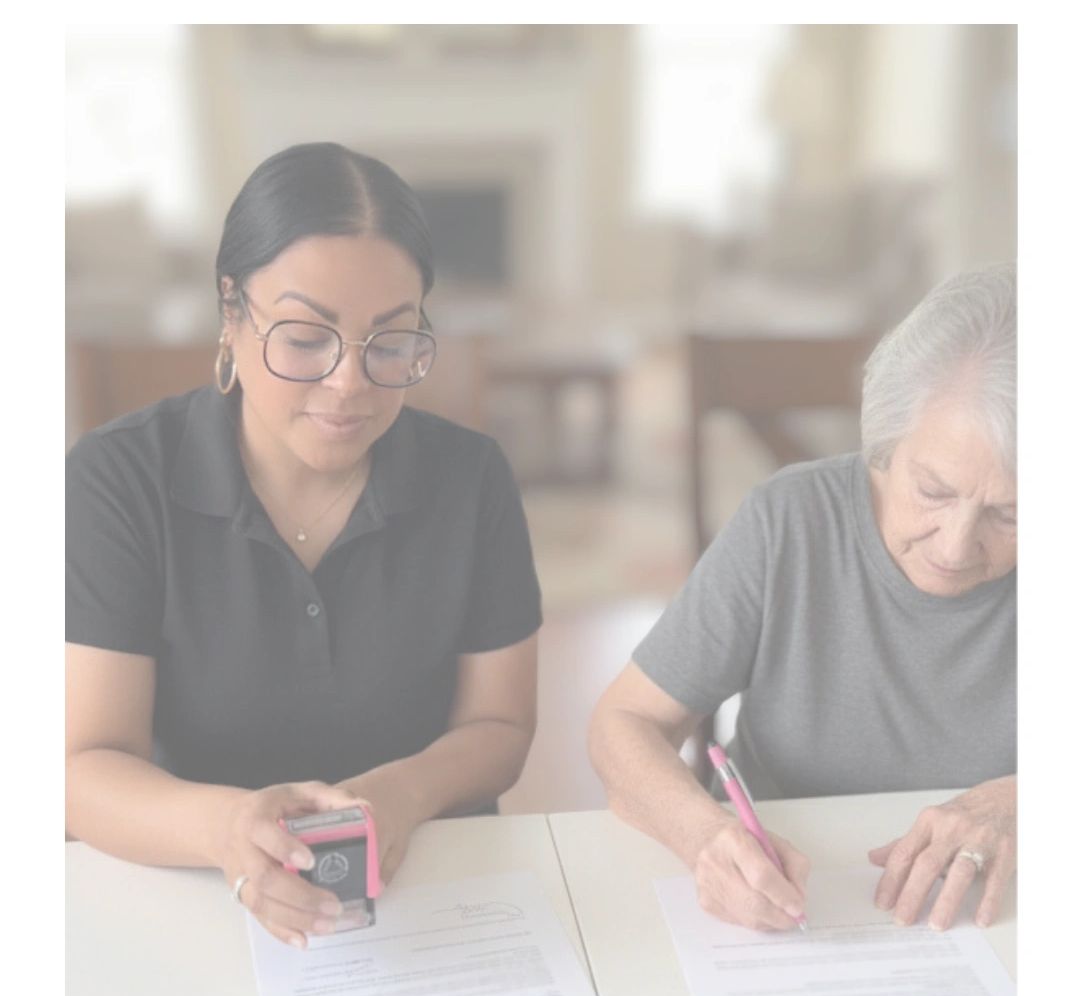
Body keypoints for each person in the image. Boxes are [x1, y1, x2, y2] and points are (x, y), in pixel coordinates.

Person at [66, 143, 542, 950]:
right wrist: (227, 829)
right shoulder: (118, 481)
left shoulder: (472, 479)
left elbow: (500, 726)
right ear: (231, 312)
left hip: (428, 901)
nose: (349, 383)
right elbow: (82, 769)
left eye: (390, 342)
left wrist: (402, 794)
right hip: (187, 902)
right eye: (305, 337)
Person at [588, 264, 1016, 935]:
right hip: (794, 916)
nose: (957, 546)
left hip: (996, 923)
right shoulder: (789, 521)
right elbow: (623, 724)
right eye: (933, 490)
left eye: (1011, 515)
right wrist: (703, 835)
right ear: (884, 443)